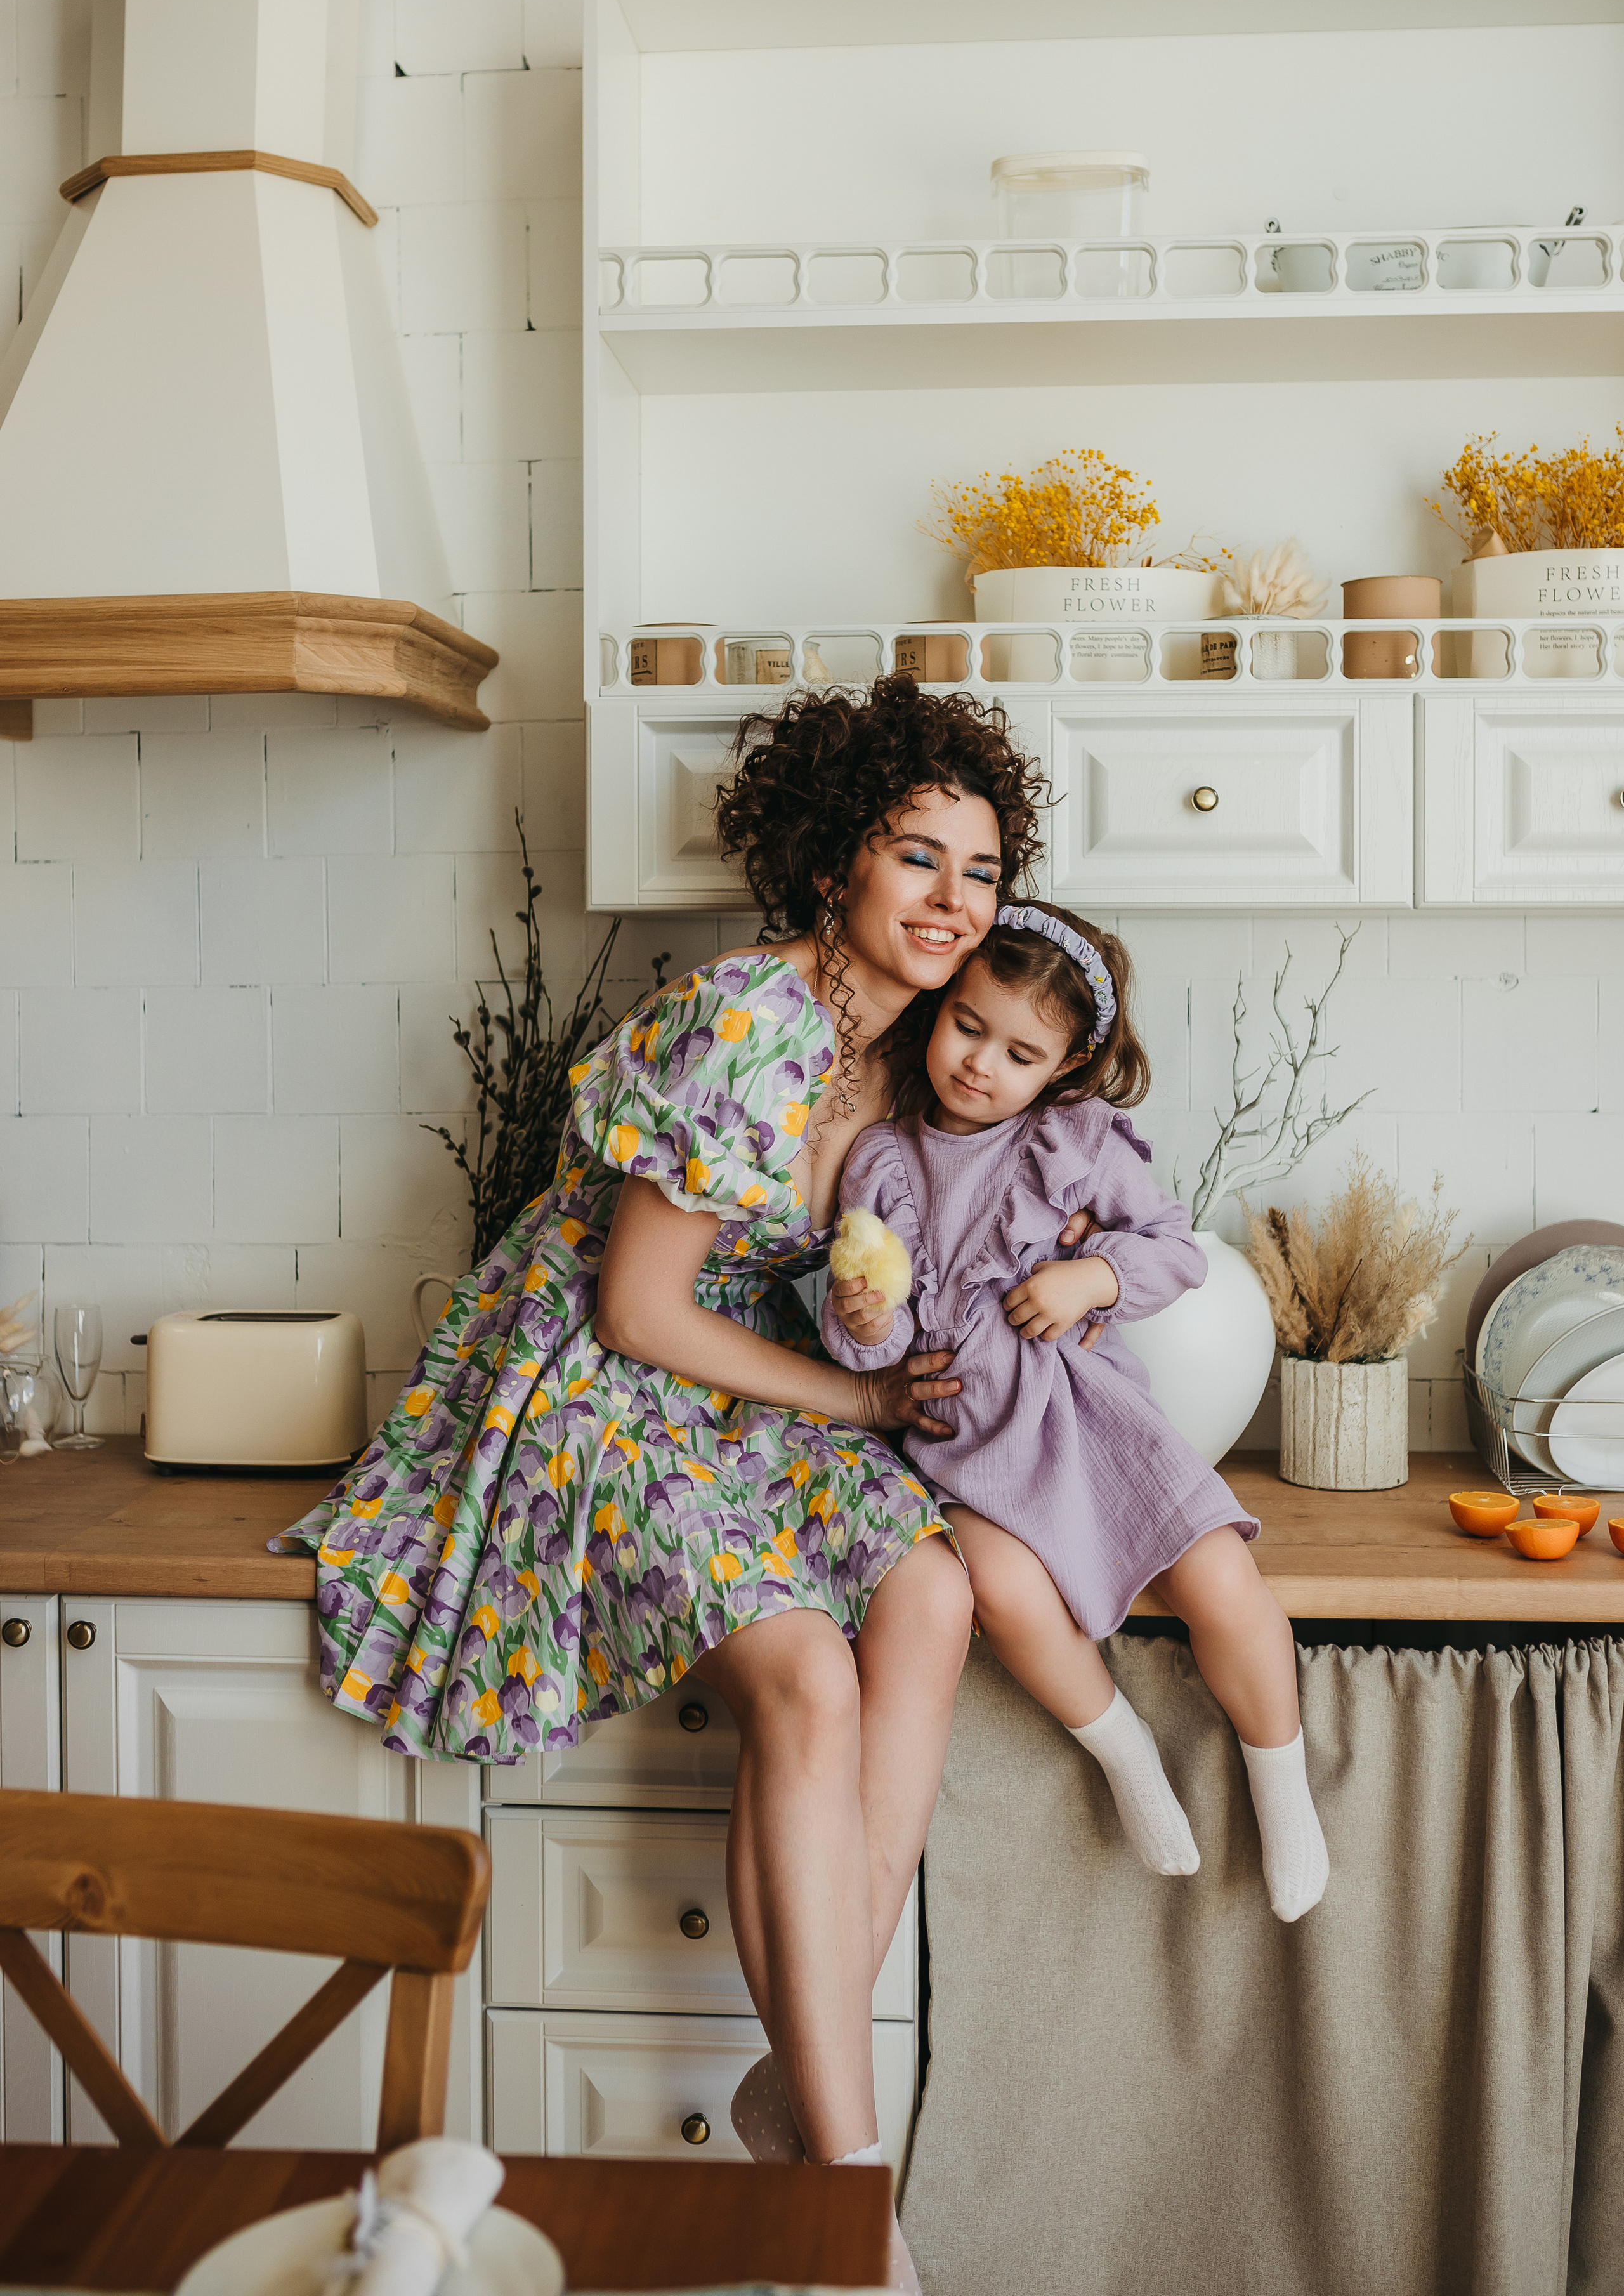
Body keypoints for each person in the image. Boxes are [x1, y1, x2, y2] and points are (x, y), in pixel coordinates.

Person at [280, 675, 1075, 2286]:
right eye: (914, 859)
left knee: (926, 1589)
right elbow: (637, 1310)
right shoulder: (744, 1019)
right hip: (600, 1385)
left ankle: (800, 2078)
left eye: (978, 870)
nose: (950, 903)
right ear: (832, 863)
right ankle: (847, 2195)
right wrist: (856, 1394)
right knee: (800, 1676)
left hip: (749, 1391)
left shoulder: (923, 1039)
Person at [821, 902, 1329, 1924]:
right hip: (962, 1450)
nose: (980, 1065)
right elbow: (869, 1348)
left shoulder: (1076, 1143)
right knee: (1003, 1596)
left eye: (1020, 1051)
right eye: (968, 1026)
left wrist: (1091, 1279)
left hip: (1091, 1425)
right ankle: (1124, 1751)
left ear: (1060, 1067)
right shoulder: (883, 1159)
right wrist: (862, 1315)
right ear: (939, 1010)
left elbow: (1179, 1251)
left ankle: (1285, 1789)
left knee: (1221, 1576)